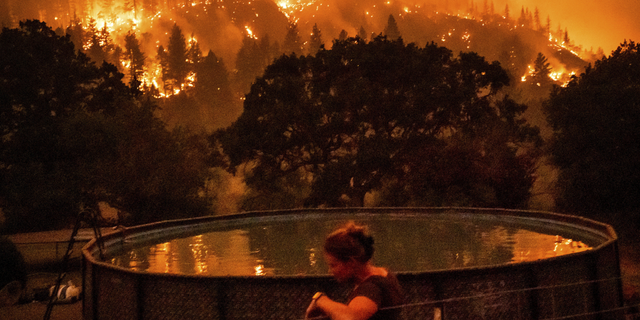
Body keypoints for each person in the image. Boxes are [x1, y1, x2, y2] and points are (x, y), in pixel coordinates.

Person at [305, 222, 404, 320]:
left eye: (333, 265)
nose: (330, 271)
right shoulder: (385, 274)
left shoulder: (371, 288)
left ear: (351, 262)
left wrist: (320, 300)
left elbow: (351, 318)